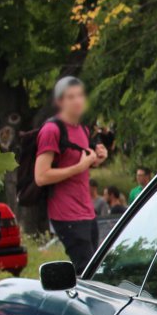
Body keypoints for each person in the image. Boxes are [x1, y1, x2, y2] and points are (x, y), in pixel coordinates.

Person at [34, 76, 107, 273]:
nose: (77, 101)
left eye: (80, 96)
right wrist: (80, 167)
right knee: (87, 272)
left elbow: (79, 165)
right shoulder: (51, 130)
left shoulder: (81, 129)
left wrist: (97, 159)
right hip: (66, 213)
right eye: (70, 97)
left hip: (87, 211)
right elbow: (41, 176)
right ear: (59, 102)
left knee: (95, 268)